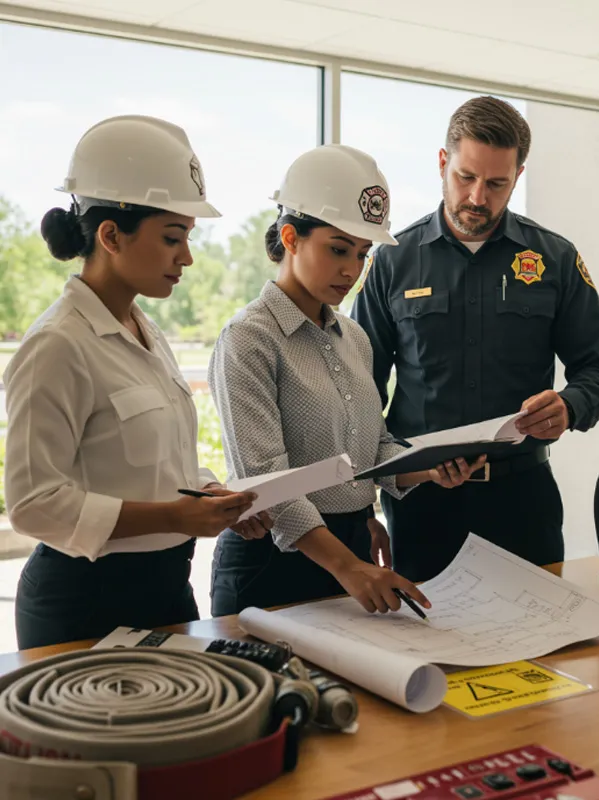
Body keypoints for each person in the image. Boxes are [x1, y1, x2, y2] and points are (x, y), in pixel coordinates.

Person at [4, 115, 269, 650]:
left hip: (166, 588)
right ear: (110, 235)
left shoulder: (144, 329)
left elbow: (156, 460)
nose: (186, 257)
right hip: (85, 601)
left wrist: (208, 494)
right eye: (172, 238)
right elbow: (33, 503)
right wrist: (174, 516)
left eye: (187, 238)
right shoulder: (58, 344)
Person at [351, 95, 599, 582]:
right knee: (425, 627)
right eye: (466, 177)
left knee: (537, 625)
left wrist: (570, 406)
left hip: (523, 499)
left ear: (518, 176)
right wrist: (359, 506)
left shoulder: (555, 259)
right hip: (422, 504)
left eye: (497, 183)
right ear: (442, 162)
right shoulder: (393, 261)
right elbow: (359, 391)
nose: (478, 197)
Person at [207, 144, 485, 617]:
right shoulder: (249, 339)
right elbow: (267, 482)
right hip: (274, 562)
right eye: (337, 250)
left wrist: (430, 469)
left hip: (351, 550)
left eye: (361, 253)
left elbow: (372, 454)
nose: (352, 271)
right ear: (291, 237)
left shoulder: (354, 337)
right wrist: (348, 566)